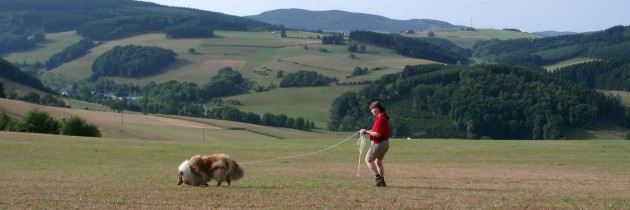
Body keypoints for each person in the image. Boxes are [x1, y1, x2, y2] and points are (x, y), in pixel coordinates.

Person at [359, 101, 390, 187]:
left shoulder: (381, 119)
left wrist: (366, 132)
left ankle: (378, 178)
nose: (371, 111)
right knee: (378, 161)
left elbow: (378, 134)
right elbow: (375, 131)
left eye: (372, 109)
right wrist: (366, 131)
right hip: (385, 143)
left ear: (376, 109)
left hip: (379, 143)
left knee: (368, 160)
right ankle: (382, 182)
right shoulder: (382, 118)